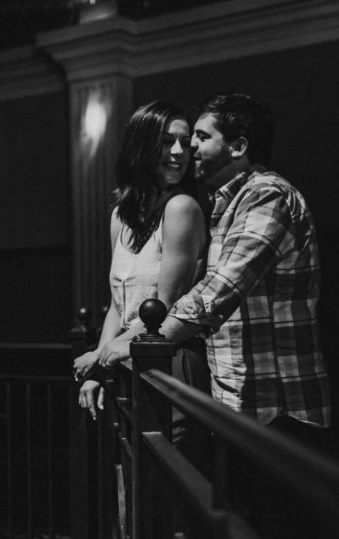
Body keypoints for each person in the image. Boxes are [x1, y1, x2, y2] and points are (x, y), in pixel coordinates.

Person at [97, 92, 330, 539]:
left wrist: (138, 342)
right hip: (238, 403)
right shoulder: (224, 204)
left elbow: (219, 289)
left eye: (199, 137)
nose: (189, 149)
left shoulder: (269, 196)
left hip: (280, 403)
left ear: (239, 146)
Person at [73, 100, 208, 430]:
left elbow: (164, 306)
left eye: (184, 142)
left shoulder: (181, 209)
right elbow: (118, 309)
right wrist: (99, 367)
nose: (179, 151)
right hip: (129, 360)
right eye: (166, 141)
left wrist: (98, 359)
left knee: (165, 472)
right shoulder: (120, 217)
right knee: (130, 475)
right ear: (141, 145)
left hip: (170, 362)